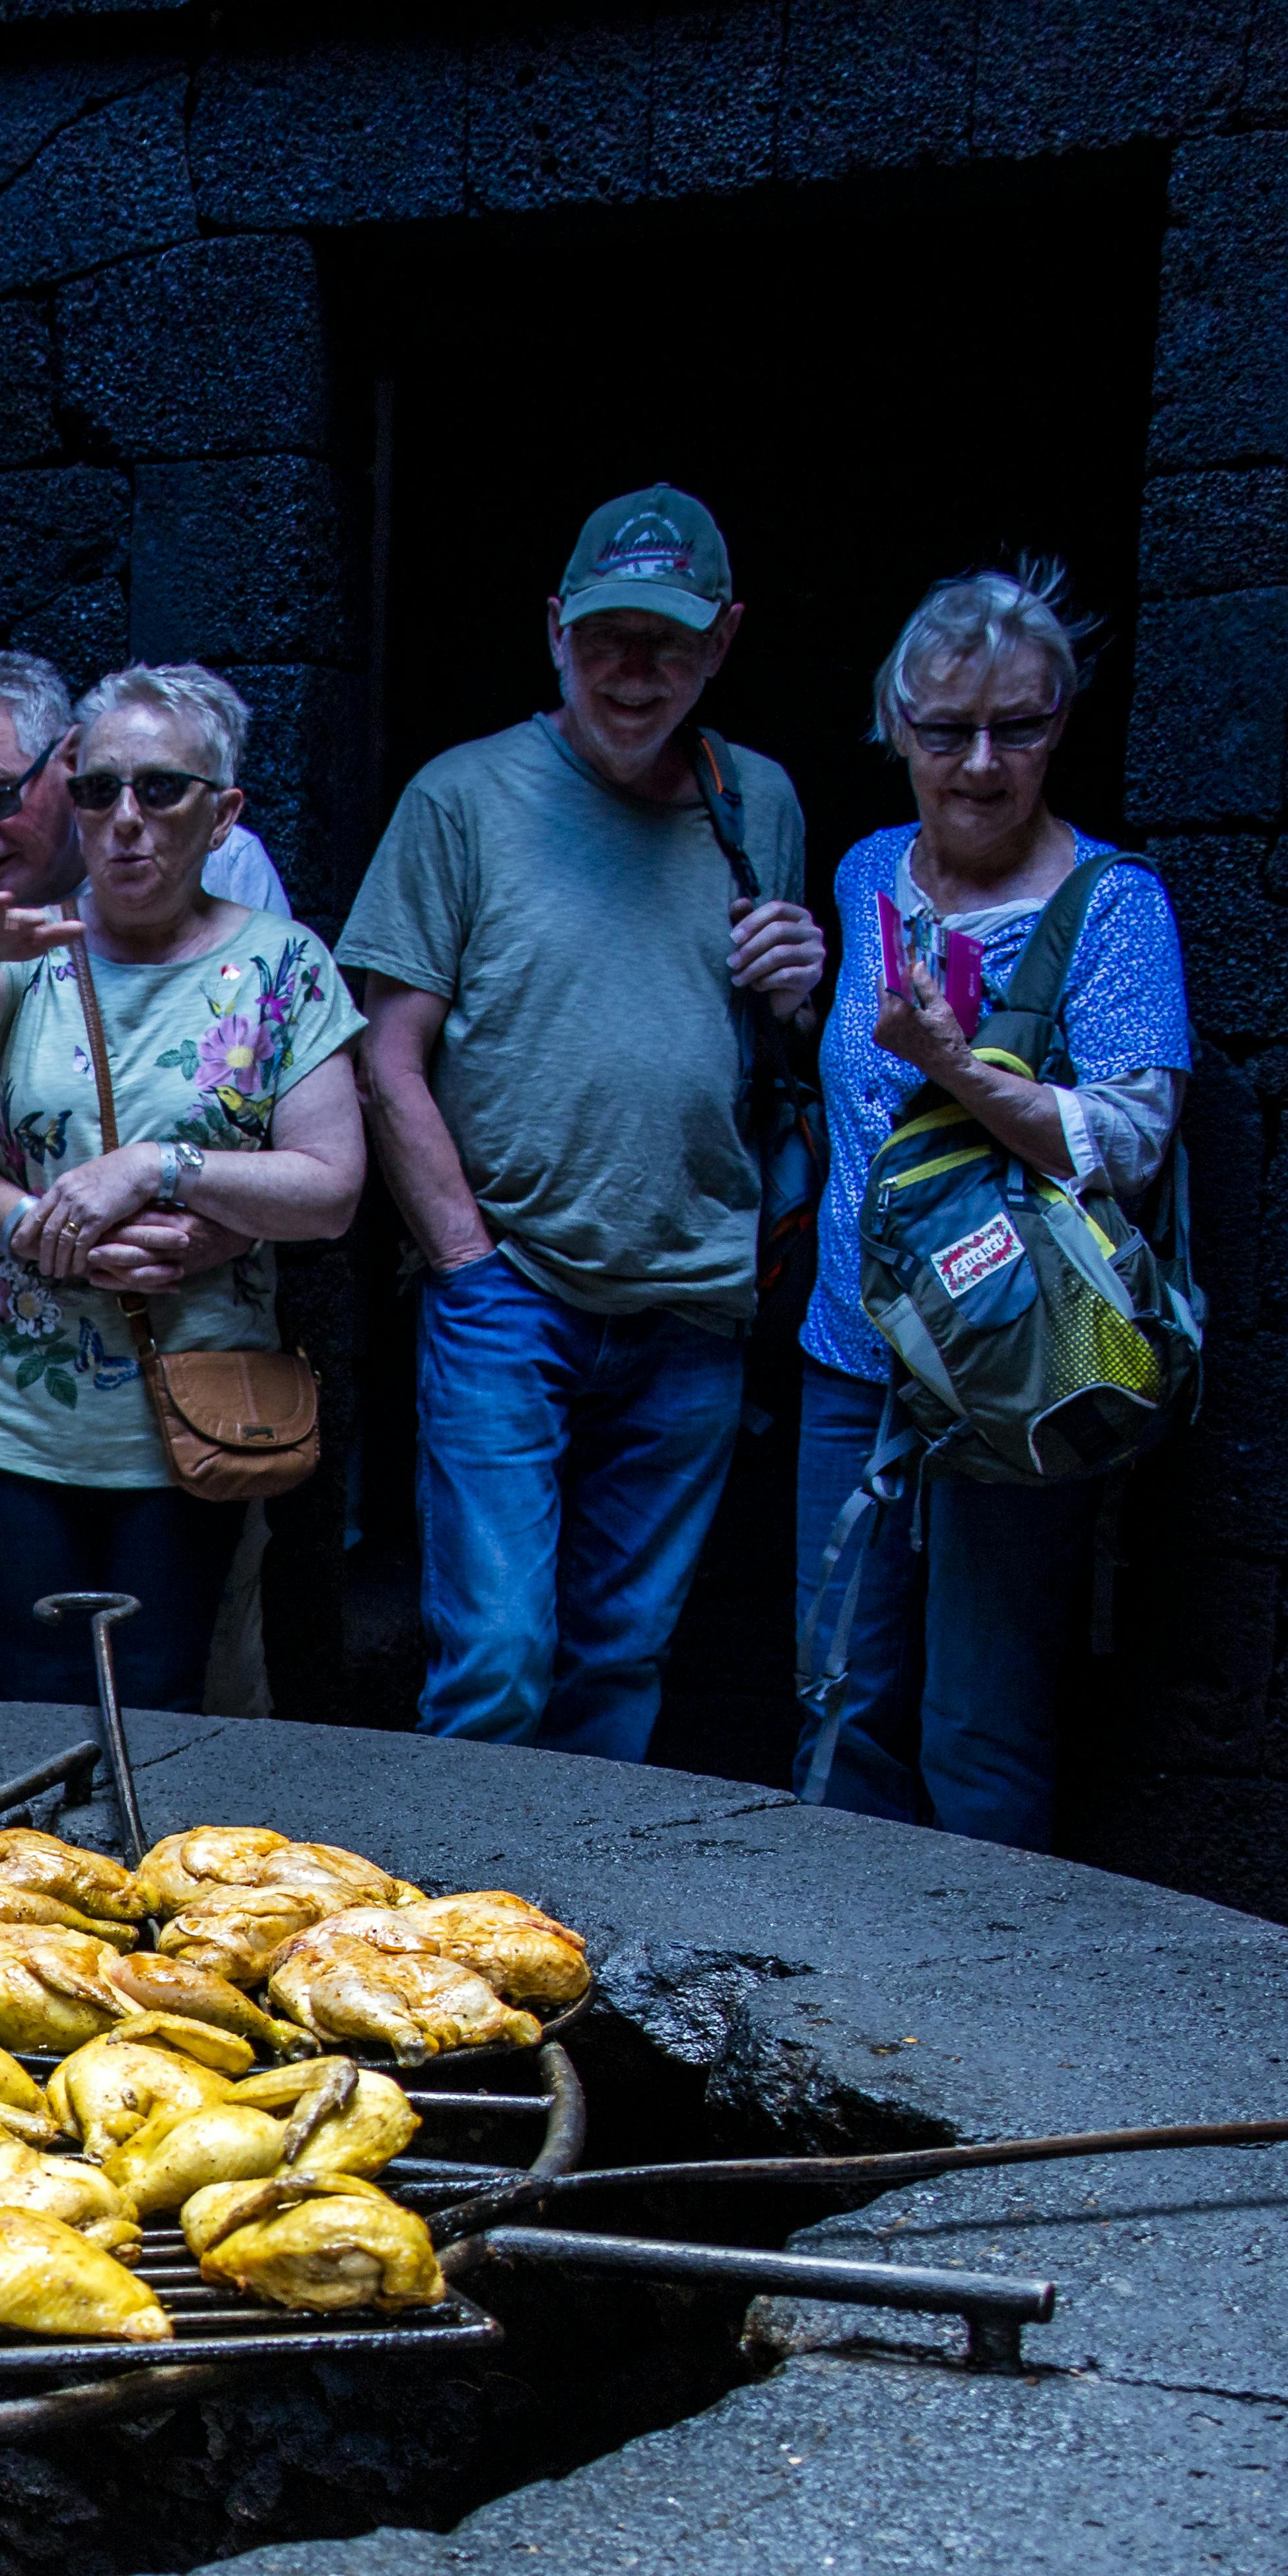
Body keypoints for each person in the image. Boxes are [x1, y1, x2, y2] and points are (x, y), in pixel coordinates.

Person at [340, 485, 829, 1762]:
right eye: (608, 633)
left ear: (721, 642)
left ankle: (571, 1946)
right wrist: (462, 1259)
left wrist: (803, 992)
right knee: (498, 1657)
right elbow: (388, 1057)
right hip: (513, 1288)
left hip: (692, 1300)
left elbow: (777, 1061)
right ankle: (439, 1944)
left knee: (623, 1661)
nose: (633, 669)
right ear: (555, 627)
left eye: (667, 641)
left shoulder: (755, 802)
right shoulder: (463, 797)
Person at [791, 569, 1193, 1848]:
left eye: (1015, 727)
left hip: (1013, 1379)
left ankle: (972, 2025)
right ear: (893, 727)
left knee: (981, 1727)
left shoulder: (1109, 904)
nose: (977, 763)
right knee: (840, 1700)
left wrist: (959, 1064)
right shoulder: (866, 875)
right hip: (853, 1362)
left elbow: (1126, 1141)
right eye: (942, 730)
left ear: (1059, 725)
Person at [0, 662, 366, 1708]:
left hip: (195, 1409)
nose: (125, 820)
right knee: (29, 1700)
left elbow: (331, 1188)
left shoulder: (285, 966)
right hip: (12, 1406)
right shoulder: (31, 943)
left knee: (160, 1697)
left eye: (160, 790)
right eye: (101, 789)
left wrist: (158, 1170)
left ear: (223, 812)